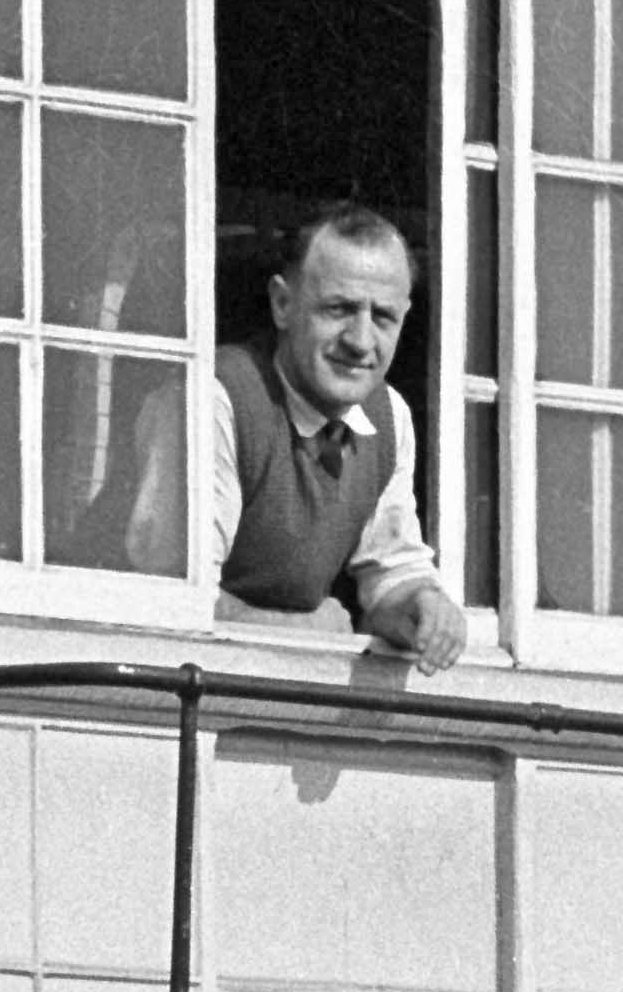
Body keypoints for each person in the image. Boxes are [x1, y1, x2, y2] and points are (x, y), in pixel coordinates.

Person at [126, 205, 468, 666]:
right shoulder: (214, 399)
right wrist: (315, 629)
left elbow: (390, 570)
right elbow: (175, 604)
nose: (361, 341)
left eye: (383, 317)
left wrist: (424, 608)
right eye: (339, 309)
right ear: (283, 305)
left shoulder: (389, 417)